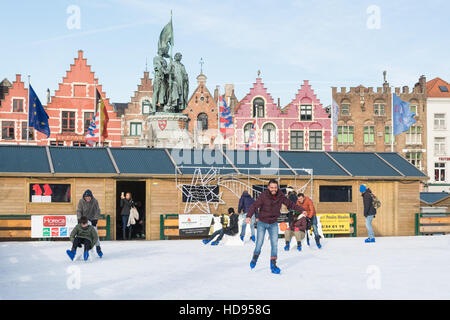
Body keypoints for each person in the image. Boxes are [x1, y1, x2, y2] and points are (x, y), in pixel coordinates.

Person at [246, 179, 305, 274]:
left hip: (273, 223)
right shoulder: (263, 196)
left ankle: (273, 265)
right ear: (268, 187)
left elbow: (290, 204)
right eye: (272, 187)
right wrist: (249, 216)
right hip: (262, 222)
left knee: (274, 244)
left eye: (275, 187)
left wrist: (301, 210)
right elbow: (254, 205)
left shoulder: (280, 196)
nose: (273, 189)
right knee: (259, 243)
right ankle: (255, 258)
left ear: (277, 188)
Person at [76, 189, 103, 257]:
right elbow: (79, 210)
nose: (87, 198)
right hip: (84, 220)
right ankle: (78, 250)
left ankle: (98, 247)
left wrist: (95, 219)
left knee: (95, 234)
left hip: (92, 220)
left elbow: (97, 211)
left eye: (89, 197)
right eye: (86, 197)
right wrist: (79, 219)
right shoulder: (81, 201)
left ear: (91, 197)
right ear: (84, 197)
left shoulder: (95, 201)